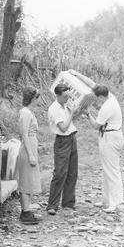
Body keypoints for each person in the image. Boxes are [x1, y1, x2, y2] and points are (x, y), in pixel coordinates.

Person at [85, 84, 124, 213]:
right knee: (106, 170)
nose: (96, 101)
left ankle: (116, 203)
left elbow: (96, 125)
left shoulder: (107, 107)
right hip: (111, 135)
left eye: (97, 98)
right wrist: (75, 74)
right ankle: (106, 199)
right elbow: (92, 84)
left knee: (112, 171)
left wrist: (88, 114)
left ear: (102, 96)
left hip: (110, 137)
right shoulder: (110, 96)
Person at [46, 83, 82, 215]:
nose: (68, 98)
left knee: (72, 171)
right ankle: (52, 204)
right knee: (60, 172)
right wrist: (72, 113)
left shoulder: (65, 105)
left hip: (72, 137)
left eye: (68, 95)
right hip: (62, 140)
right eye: (65, 96)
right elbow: (63, 127)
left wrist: (77, 112)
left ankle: (68, 202)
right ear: (58, 96)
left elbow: (71, 122)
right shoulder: (54, 108)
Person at [15, 87, 42, 224]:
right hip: (27, 148)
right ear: (32, 99)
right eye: (37, 98)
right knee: (26, 180)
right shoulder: (25, 113)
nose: (38, 101)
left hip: (31, 145)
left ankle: (27, 210)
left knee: (29, 179)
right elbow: (24, 133)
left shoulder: (28, 112)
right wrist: (31, 154)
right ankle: (25, 212)